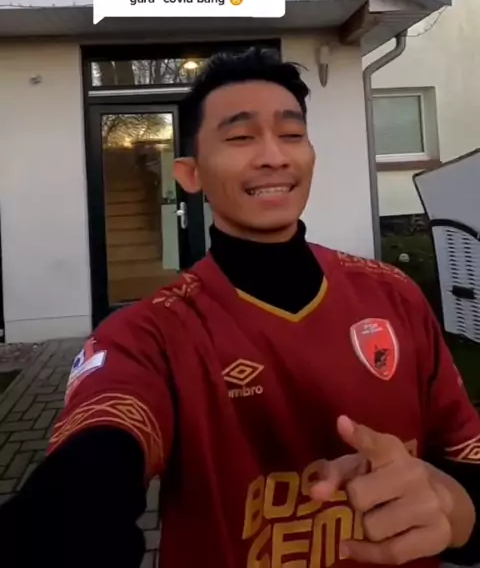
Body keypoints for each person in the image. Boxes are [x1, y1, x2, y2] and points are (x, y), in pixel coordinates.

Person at [0, 47, 478, 568]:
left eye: (291, 134)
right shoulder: (150, 334)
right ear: (190, 174)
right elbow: (85, 487)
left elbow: (467, 466)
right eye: (240, 137)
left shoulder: (392, 294)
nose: (274, 156)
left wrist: (455, 508)